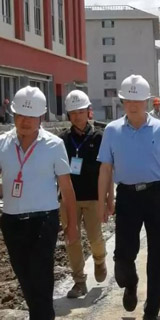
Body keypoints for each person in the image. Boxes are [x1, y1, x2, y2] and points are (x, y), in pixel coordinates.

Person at [0, 86, 78, 320]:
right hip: (11, 221)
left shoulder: (53, 145)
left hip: (43, 220)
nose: (24, 121)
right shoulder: (3, 143)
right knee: (26, 281)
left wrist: (71, 225)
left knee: (41, 278)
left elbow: (66, 188)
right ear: (13, 115)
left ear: (41, 117)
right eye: (20, 115)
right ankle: (45, 317)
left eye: (30, 117)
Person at [97, 75, 160, 320]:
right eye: (128, 100)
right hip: (127, 197)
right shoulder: (112, 131)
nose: (133, 105)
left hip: (157, 196)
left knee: (159, 255)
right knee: (123, 256)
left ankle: (151, 313)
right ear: (122, 101)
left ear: (147, 101)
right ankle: (130, 283)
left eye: (138, 100)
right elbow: (105, 168)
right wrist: (104, 201)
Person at [60, 90, 111, 298]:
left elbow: (107, 170)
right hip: (68, 198)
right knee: (71, 239)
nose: (77, 116)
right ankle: (79, 281)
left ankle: (99, 259)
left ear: (88, 112)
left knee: (94, 237)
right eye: (73, 113)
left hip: (92, 197)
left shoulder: (99, 137)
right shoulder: (63, 140)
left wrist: (108, 199)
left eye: (80, 112)